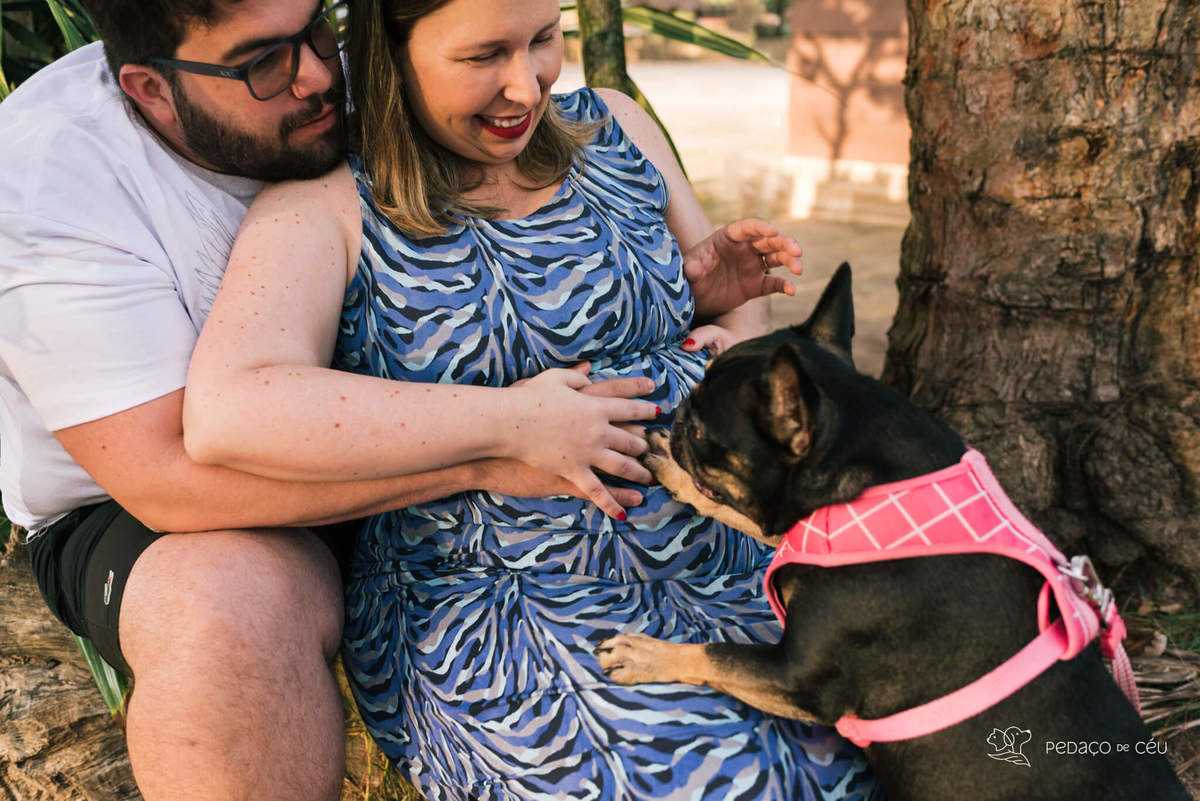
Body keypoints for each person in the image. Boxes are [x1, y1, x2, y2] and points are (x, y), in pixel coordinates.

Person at [0, 1, 801, 799]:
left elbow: (698, 309)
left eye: (319, 29)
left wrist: (712, 312)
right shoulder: (55, 181)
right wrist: (497, 443)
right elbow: (174, 464)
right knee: (224, 604)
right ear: (151, 89)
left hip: (699, 543)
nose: (320, 75)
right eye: (265, 63)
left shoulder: (539, 113)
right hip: (163, 495)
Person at [182, 1, 883, 799]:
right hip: (510, 593)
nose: (527, 85)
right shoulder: (330, 205)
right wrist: (511, 425)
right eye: (485, 56)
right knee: (721, 779)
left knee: (916, 726)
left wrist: (722, 308)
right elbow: (231, 407)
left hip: (738, 551)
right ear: (392, 50)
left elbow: (722, 324)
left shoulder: (614, 127)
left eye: (544, 39)